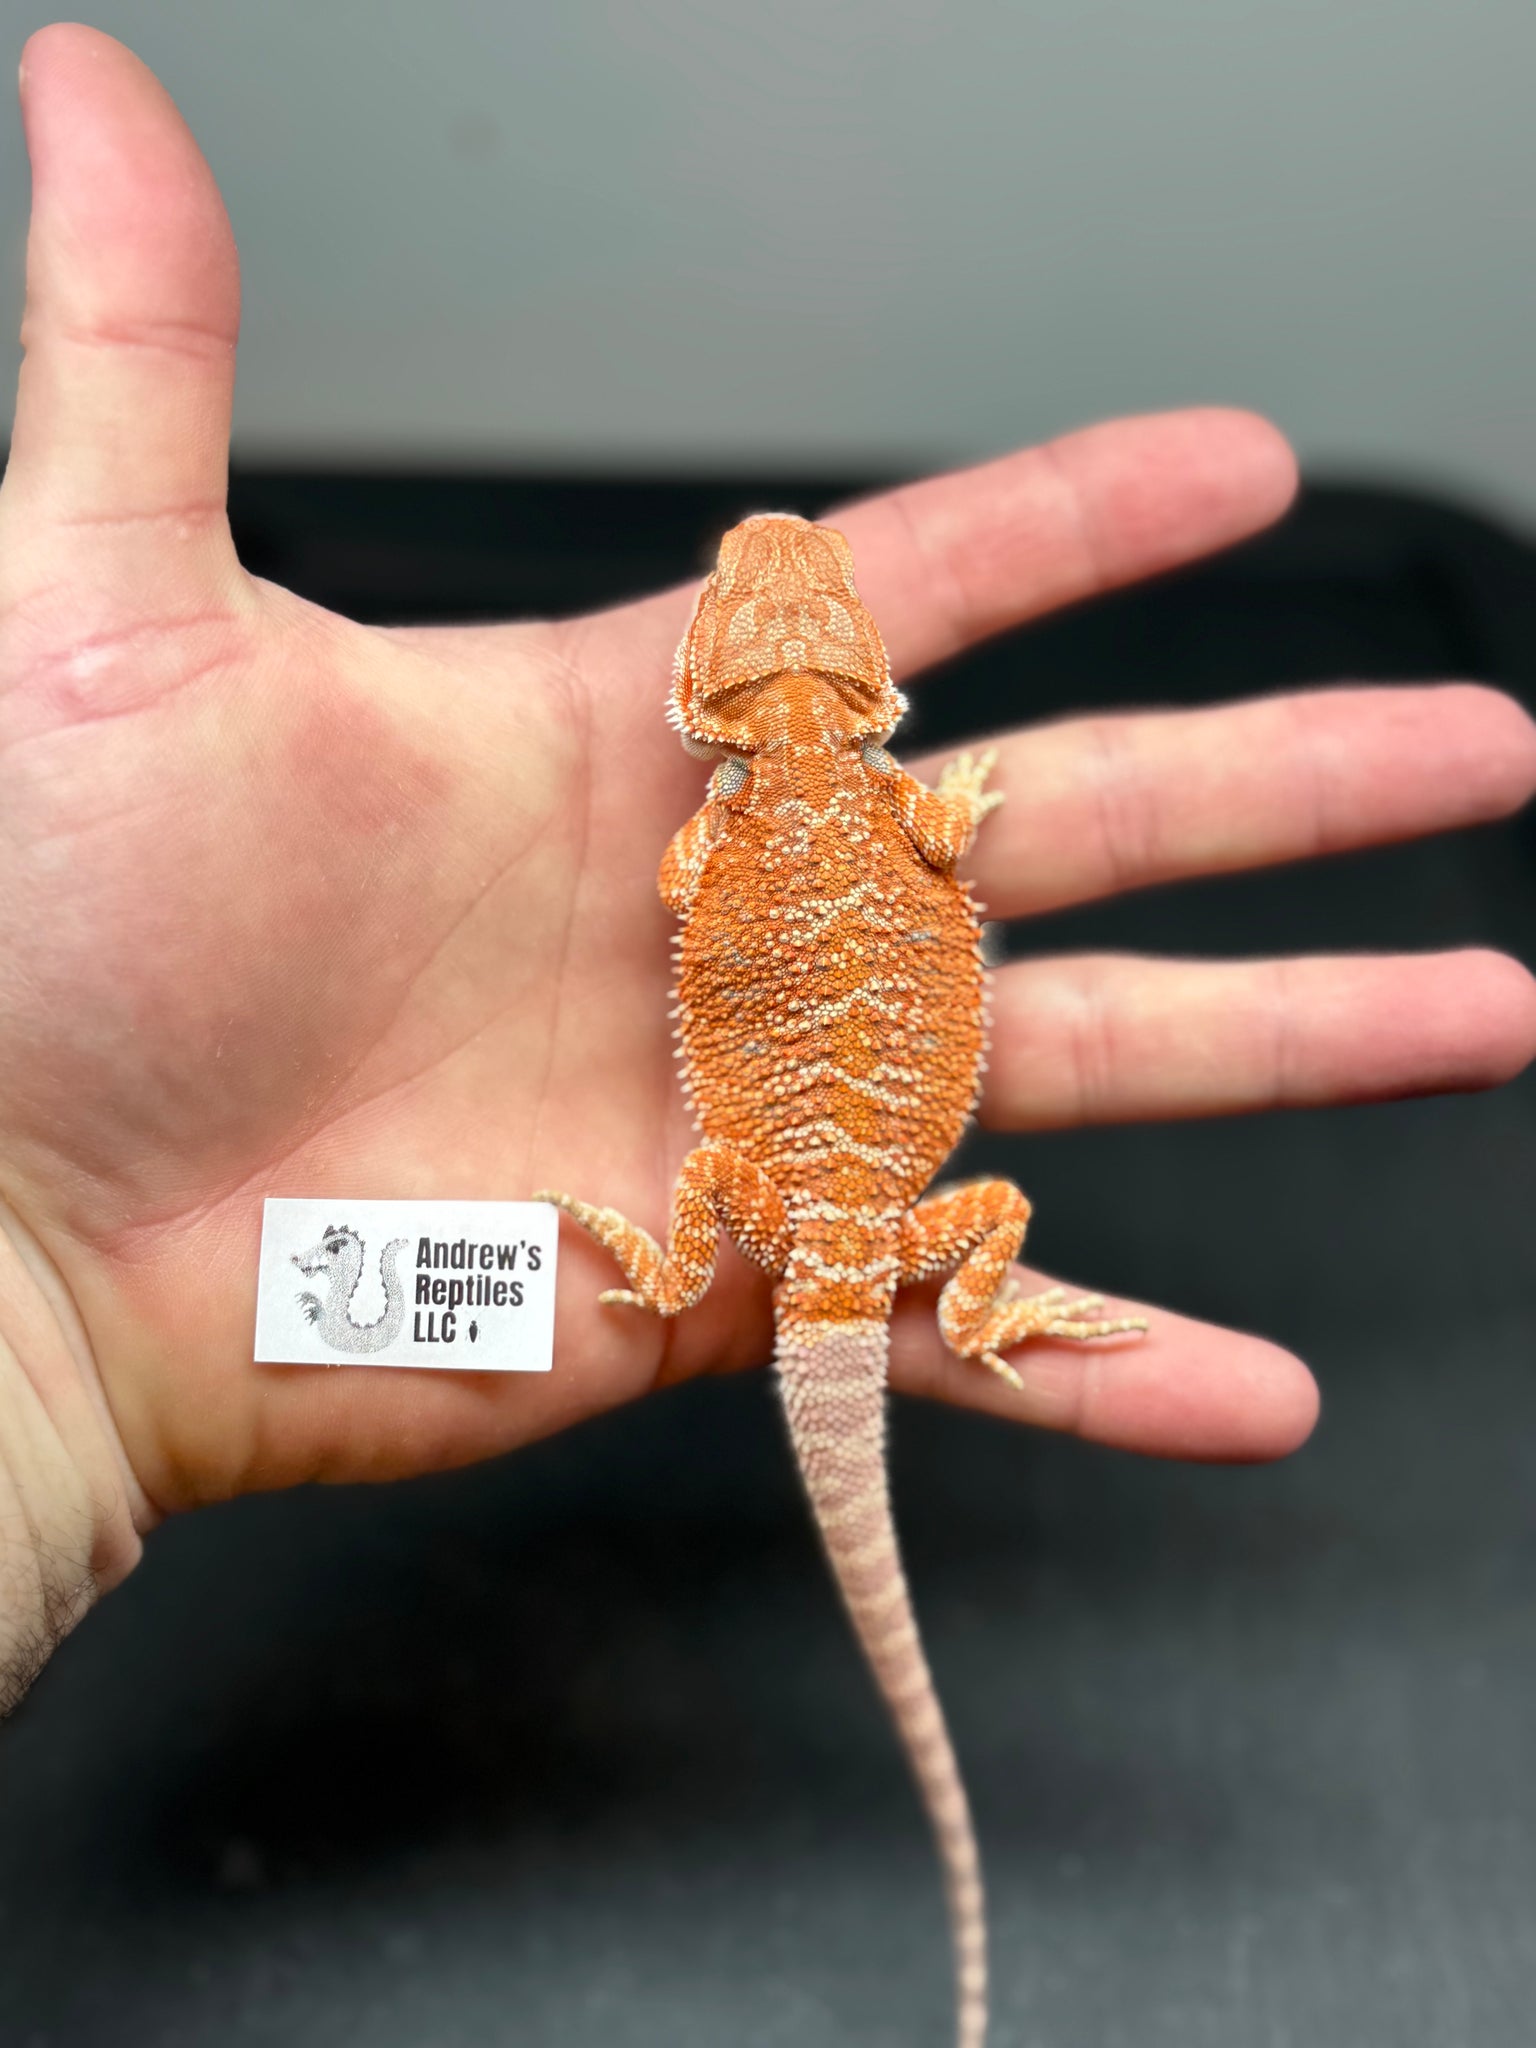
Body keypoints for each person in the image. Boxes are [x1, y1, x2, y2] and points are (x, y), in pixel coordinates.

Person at [1, 23, 1533, 1717]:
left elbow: (683, 906)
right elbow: (929, 847)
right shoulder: (902, 811)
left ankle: (692, 1280)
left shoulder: (717, 834)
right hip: (853, 1197)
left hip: (796, 1196)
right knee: (996, 1225)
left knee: (889, 1239)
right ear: (860, 689)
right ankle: (958, 1318)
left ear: (709, 692)